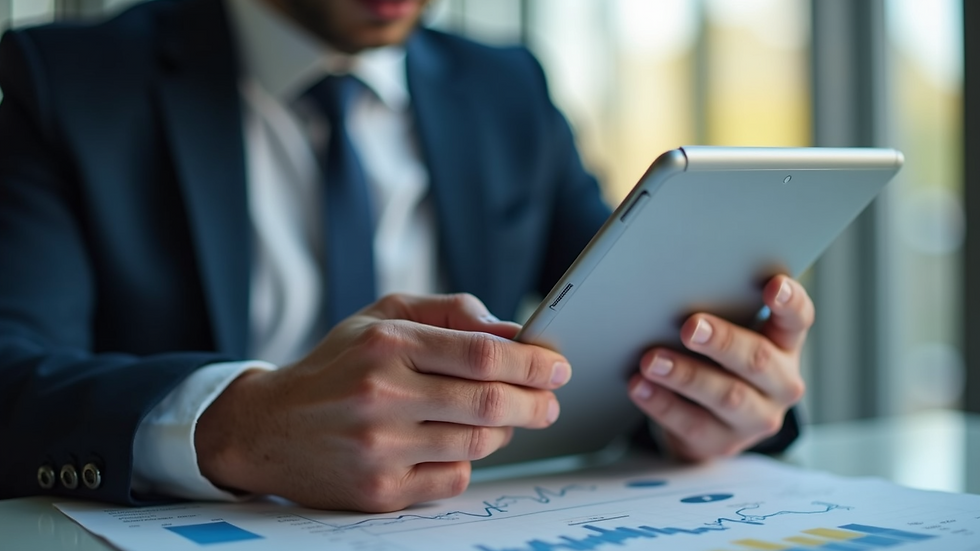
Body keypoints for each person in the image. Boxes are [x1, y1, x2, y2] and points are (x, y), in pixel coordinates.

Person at [0, 0, 812, 513]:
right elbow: (11, 372)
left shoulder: (507, 91)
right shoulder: (68, 81)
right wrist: (237, 426)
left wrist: (707, 399)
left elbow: (623, 323)